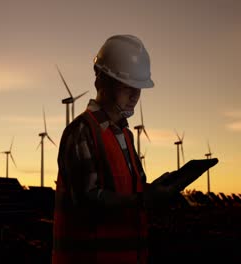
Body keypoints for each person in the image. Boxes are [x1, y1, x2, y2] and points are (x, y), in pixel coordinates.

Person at [52, 34, 218, 264]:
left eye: (138, 88)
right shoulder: (81, 131)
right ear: (102, 81)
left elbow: (129, 194)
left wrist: (158, 192)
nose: (134, 96)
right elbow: (87, 202)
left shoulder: (125, 136)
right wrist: (144, 199)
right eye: (126, 86)